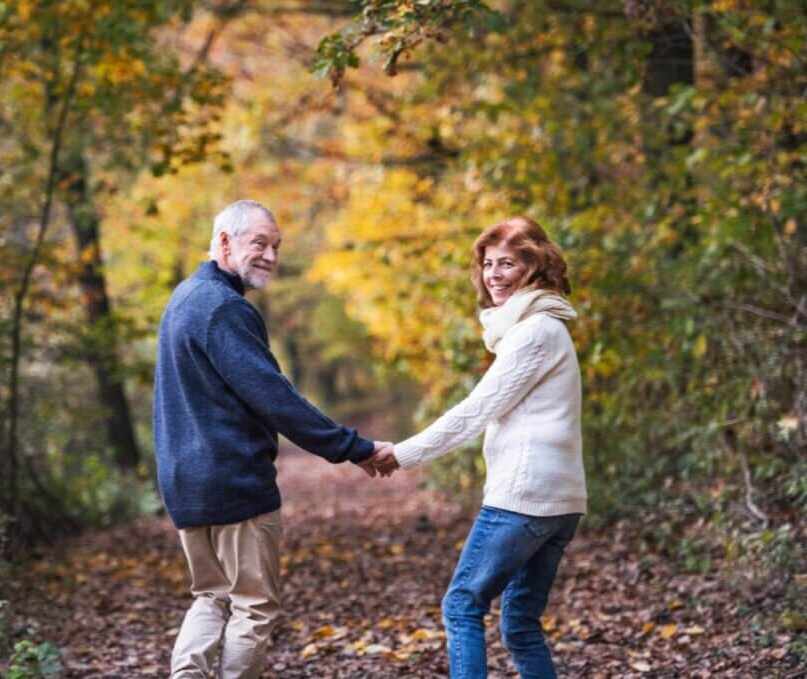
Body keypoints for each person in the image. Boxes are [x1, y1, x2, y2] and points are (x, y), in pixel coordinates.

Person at [153, 199, 393, 679]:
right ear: (224, 241)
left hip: (184, 485)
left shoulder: (184, 298)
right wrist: (353, 448)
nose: (269, 255)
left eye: (276, 246)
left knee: (211, 596)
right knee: (253, 607)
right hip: (232, 482)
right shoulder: (224, 309)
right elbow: (274, 398)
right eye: (258, 242)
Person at [375, 216, 587, 678]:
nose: (493, 274)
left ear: (536, 267)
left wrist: (402, 453)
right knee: (520, 624)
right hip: (559, 500)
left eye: (507, 263)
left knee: (462, 604)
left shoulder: (534, 332)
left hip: (526, 496)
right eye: (488, 264)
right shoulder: (541, 328)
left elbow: (476, 410)